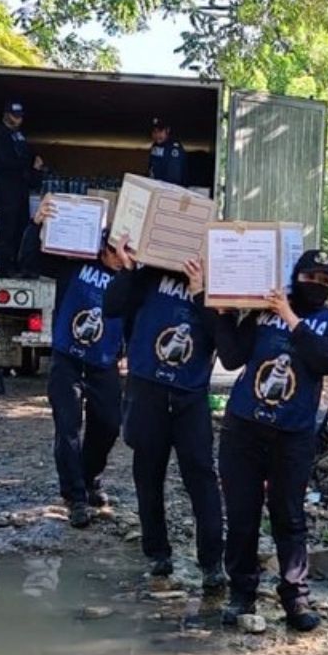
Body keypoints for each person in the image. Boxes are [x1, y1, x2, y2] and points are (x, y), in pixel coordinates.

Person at [214, 250, 328, 632]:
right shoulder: (262, 313)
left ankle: (296, 599)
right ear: (296, 276)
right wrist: (224, 312)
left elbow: (325, 360)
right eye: (310, 277)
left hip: (293, 436)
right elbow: (230, 357)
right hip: (243, 428)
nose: (317, 285)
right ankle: (241, 593)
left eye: (325, 281)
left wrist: (290, 318)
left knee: (289, 518)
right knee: (242, 516)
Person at [103, 240, 227, 587]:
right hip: (147, 390)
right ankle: (157, 553)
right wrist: (128, 269)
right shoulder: (147, 275)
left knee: (201, 478)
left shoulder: (214, 282)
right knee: (147, 474)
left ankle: (212, 564)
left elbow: (225, 342)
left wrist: (201, 290)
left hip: (190, 396)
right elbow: (111, 306)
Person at [23, 197, 127, 527]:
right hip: (68, 357)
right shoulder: (75, 264)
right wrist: (36, 224)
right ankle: (75, 496)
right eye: (113, 252)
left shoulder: (129, 280)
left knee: (109, 425)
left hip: (104, 363)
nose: (118, 259)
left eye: (124, 254)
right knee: (67, 428)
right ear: (101, 249)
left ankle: (88, 476)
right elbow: (29, 259)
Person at [0, 101, 45, 276]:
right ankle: (5, 268)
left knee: (21, 228)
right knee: (7, 230)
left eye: (20, 116)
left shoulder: (19, 136)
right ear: (6, 114)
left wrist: (35, 167)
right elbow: (5, 161)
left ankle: (21, 266)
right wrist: (26, 164)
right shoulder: (0, 135)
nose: (18, 119)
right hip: (6, 189)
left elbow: (29, 157)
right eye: (14, 115)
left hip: (21, 189)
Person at [148, 118, 187, 186]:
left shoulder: (174, 149)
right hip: (156, 185)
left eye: (160, 131)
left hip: (169, 190)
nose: (157, 135)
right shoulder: (155, 145)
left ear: (167, 130)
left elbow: (173, 178)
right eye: (154, 132)